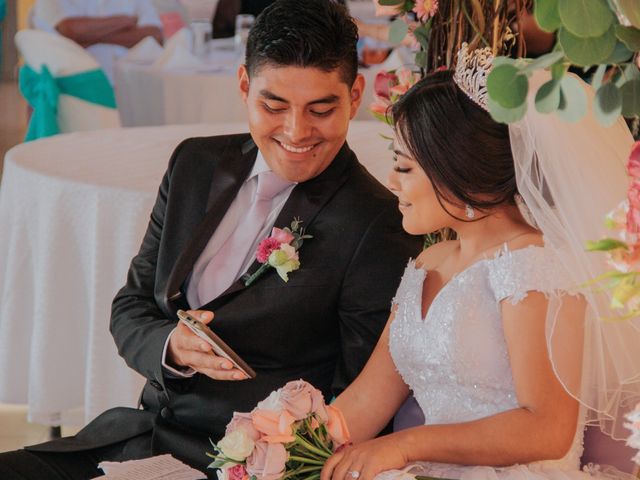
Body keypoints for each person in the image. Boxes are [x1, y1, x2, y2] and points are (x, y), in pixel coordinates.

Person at [0, 1, 421, 479]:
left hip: (243, 467)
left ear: (356, 94)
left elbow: (360, 405)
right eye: (273, 105)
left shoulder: (376, 223)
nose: (296, 131)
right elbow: (132, 306)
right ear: (243, 85)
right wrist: (172, 348)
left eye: (321, 110)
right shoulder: (194, 164)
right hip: (136, 439)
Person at [315, 46, 640, 479]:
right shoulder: (429, 261)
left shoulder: (533, 264)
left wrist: (404, 445)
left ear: (458, 172)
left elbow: (547, 429)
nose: (391, 182)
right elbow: (368, 401)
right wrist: (284, 440)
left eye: (404, 168)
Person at [32, 0, 163, 83]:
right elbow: (71, 29)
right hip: (75, 88)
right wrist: (125, 21)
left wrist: (87, 37)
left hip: (132, 84)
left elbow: (155, 35)